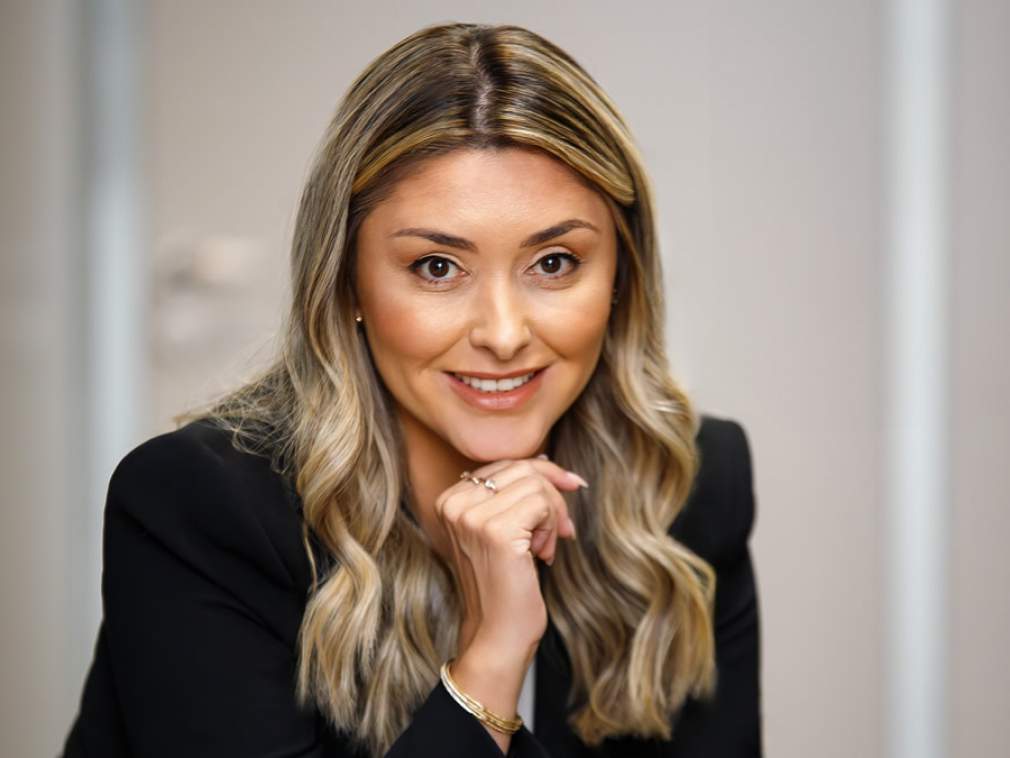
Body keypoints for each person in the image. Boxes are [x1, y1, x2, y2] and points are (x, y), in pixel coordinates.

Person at [61, 21, 762, 758]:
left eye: (554, 262)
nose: (503, 333)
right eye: (437, 267)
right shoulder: (204, 509)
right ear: (347, 282)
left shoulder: (685, 485)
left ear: (622, 275)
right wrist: (491, 659)